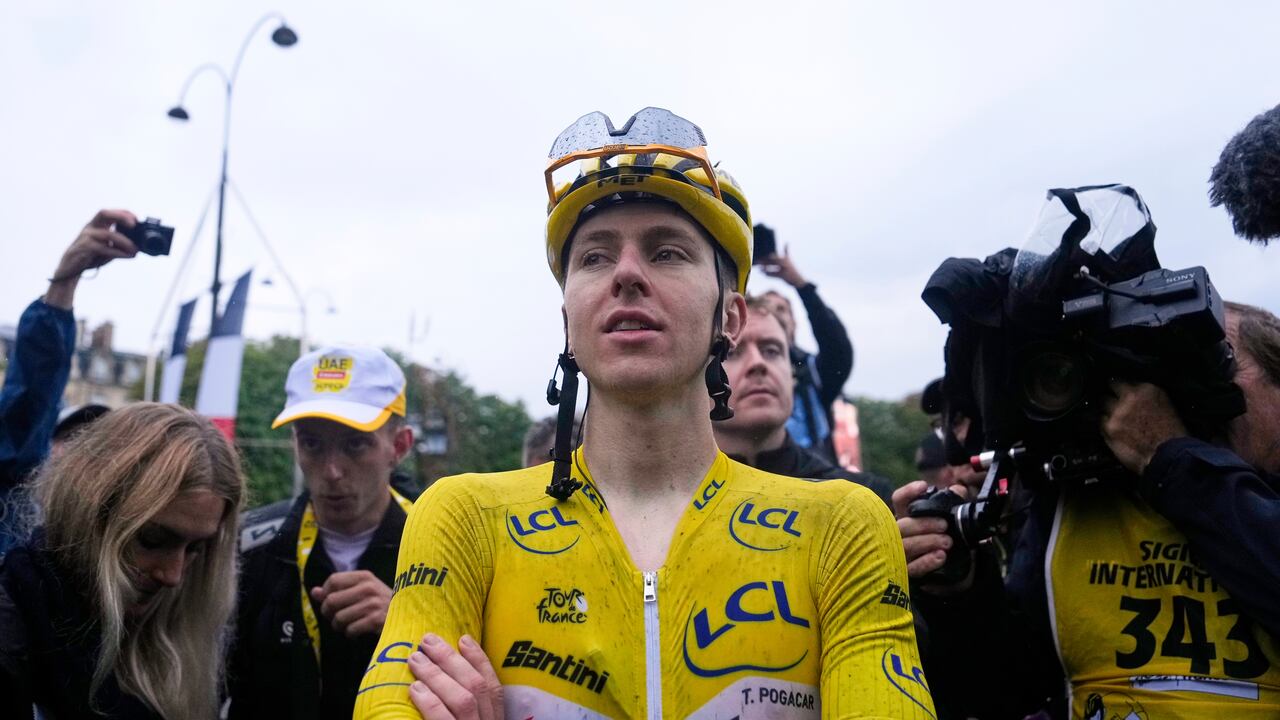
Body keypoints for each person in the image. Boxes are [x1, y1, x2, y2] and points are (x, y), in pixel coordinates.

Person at [356, 107, 932, 719]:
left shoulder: (841, 527)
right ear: (567, 320)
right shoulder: (462, 519)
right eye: (595, 258)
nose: (626, 274)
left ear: (730, 318)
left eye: (667, 252)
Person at [897, 301, 1280, 718]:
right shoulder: (1080, 500)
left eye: (1219, 361)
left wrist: (1171, 461)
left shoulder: (1177, 471)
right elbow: (1008, 688)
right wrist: (962, 590)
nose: (1192, 384)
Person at [0, 402, 244, 719]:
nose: (173, 575)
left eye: (196, 548)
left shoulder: (166, 643)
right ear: (88, 512)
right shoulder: (11, 638)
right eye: (152, 540)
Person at [227, 346, 418, 720]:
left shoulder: (445, 545)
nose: (331, 471)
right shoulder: (247, 544)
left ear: (399, 446)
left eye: (355, 444)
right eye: (311, 443)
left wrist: (407, 623)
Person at [0, 209, 140, 556]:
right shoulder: (15, 511)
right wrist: (64, 283)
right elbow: (29, 401)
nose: (81, 455)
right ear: (45, 447)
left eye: (95, 446)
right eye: (73, 439)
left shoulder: (104, 551)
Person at [714, 295, 893, 507]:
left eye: (771, 351)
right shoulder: (668, 505)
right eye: (732, 352)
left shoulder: (866, 501)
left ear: (792, 373)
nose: (758, 363)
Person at [758, 244, 854, 461]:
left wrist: (801, 285)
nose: (775, 315)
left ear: (794, 323)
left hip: (816, 475)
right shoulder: (735, 370)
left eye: (781, 309)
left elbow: (837, 347)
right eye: (765, 309)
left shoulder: (812, 370)